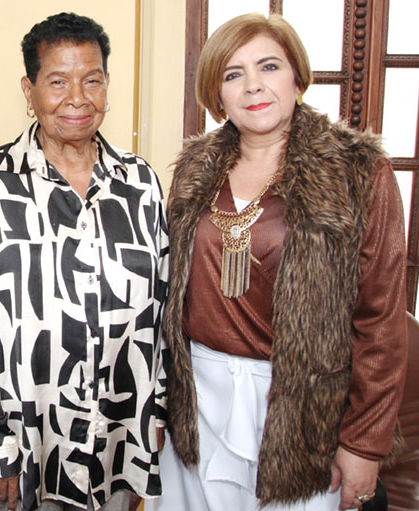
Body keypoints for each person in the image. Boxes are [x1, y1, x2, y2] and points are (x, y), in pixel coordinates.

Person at [146, 13, 407, 511]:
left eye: (269, 66)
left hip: (302, 414)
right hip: (197, 405)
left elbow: (380, 321)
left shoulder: (359, 172)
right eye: (233, 74)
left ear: (297, 77)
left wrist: (363, 444)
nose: (253, 86)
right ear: (216, 94)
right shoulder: (192, 172)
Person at [0, 12, 168, 511]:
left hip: (118, 436)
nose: (77, 98)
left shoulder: (140, 185)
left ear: (107, 85)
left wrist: (157, 413)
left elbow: (164, 310)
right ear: (29, 90)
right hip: (27, 444)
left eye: (92, 80)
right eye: (58, 81)